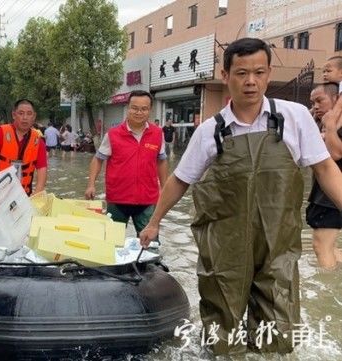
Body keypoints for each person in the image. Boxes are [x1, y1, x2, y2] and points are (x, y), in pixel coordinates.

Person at [139, 38, 342, 355]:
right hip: (225, 246)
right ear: (225, 75)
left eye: (259, 72)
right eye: (242, 73)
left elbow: (326, 168)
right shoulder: (211, 131)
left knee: (276, 333)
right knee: (221, 332)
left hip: (278, 244)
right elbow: (180, 180)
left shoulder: (295, 117)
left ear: (268, 73)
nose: (251, 81)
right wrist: (154, 223)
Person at [84, 90, 168, 239]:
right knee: (111, 245)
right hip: (117, 200)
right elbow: (98, 159)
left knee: (149, 247)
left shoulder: (157, 134)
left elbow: (161, 161)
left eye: (144, 109)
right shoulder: (113, 134)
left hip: (147, 200)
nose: (139, 112)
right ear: (127, 108)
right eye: (134, 108)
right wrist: (91, 184)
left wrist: (165, 188)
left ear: (150, 110)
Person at [306, 82, 342, 269]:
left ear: (336, 99)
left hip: (331, 195)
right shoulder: (324, 123)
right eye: (313, 103)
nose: (316, 106)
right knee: (330, 246)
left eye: (320, 100)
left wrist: (329, 125)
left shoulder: (334, 124)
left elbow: (336, 153)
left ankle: (326, 289)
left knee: (321, 245)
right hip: (324, 194)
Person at [0, 99, 47, 195]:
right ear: (14, 115)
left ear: (34, 116)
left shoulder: (38, 141)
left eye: (29, 114)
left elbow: (42, 169)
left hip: (23, 196)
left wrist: (37, 194)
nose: (25, 117)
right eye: (21, 113)